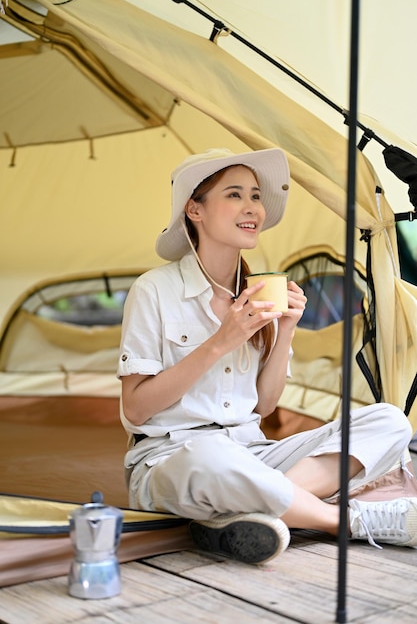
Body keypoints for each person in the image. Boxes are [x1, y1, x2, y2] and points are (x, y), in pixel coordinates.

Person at [118, 148, 417, 565]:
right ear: (195, 209)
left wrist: (287, 329)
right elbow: (135, 410)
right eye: (235, 195)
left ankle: (251, 505)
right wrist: (221, 342)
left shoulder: (260, 292)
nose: (252, 208)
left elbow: (265, 406)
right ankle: (349, 521)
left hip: (250, 452)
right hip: (173, 457)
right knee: (211, 456)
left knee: (389, 421)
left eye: (256, 196)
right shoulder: (154, 290)